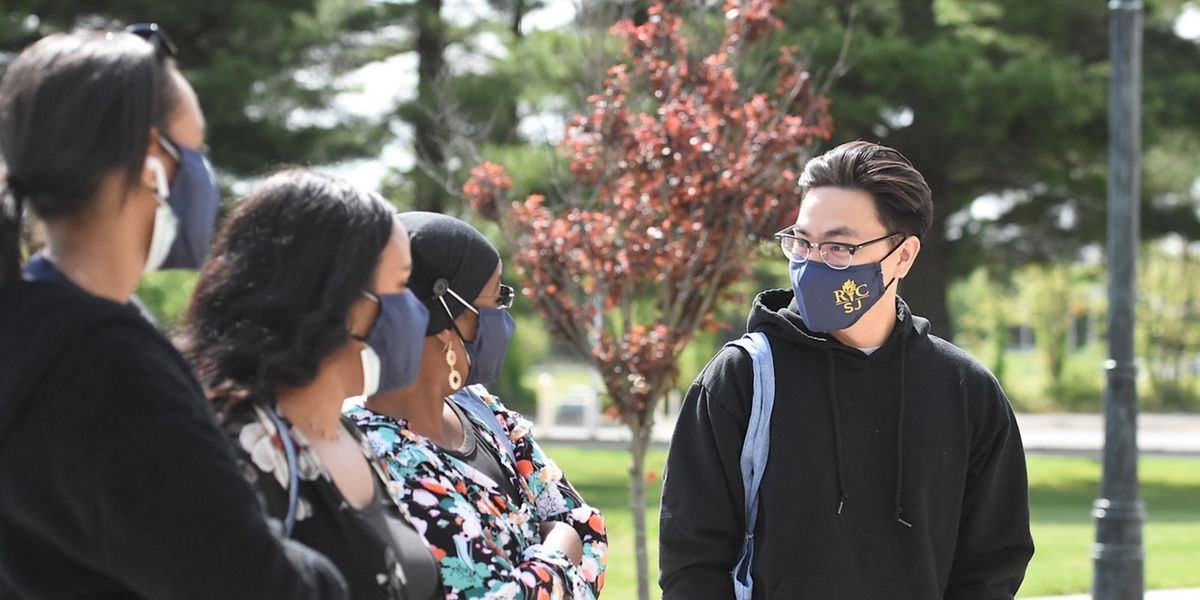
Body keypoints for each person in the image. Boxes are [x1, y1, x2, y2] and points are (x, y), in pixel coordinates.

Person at [0, 29, 346, 598]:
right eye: (197, 149)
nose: (205, 177)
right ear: (150, 161)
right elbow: (251, 581)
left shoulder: (30, 321)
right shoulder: (104, 365)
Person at [659, 141, 1035, 599]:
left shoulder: (967, 392)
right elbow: (690, 560)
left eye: (839, 247)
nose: (812, 263)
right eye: (801, 241)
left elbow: (993, 562)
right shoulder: (740, 378)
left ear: (903, 256)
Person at [180, 170, 442, 600]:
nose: (415, 312)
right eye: (400, 285)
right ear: (335, 298)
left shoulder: (347, 433)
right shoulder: (233, 446)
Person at [348, 212, 608, 599]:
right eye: (499, 297)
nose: (506, 316)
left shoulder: (482, 407)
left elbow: (588, 528)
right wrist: (559, 547)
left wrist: (541, 569)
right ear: (448, 317)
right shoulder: (378, 451)